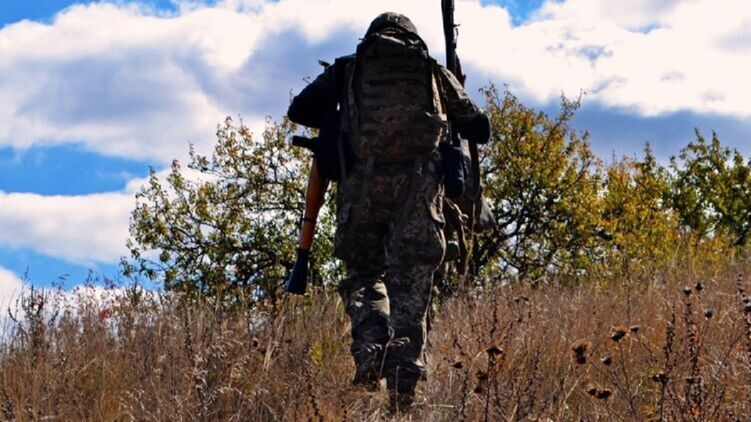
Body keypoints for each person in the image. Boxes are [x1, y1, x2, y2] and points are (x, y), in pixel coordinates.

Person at [287, 12, 489, 411]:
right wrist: (453, 95)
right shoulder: (432, 71)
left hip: (361, 189)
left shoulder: (347, 69)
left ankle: (370, 349)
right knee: (411, 285)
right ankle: (402, 394)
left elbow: (299, 110)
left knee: (364, 274)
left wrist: (342, 118)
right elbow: (480, 129)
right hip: (419, 194)